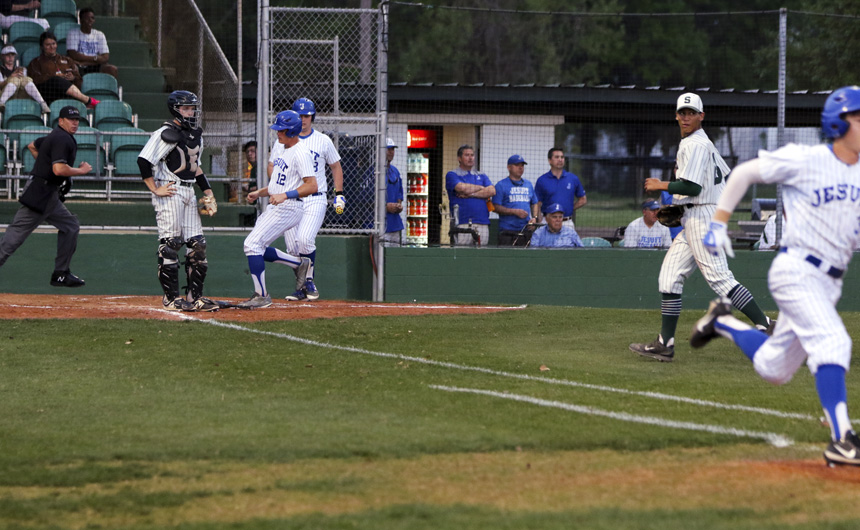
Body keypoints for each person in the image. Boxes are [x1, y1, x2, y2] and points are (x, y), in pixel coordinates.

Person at [690, 86, 860, 466]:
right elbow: (747, 172)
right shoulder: (809, 159)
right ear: (838, 122)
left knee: (774, 368)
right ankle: (843, 439)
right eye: (859, 118)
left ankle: (722, 323)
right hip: (796, 271)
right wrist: (719, 221)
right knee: (833, 342)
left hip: (828, 283)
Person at [629, 93, 772, 362]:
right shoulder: (705, 143)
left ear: (701, 116)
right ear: (676, 115)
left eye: (691, 112)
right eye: (682, 112)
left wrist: (661, 185)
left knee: (720, 279)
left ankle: (766, 325)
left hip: (702, 218)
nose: (686, 117)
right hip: (696, 216)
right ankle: (665, 344)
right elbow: (719, 179)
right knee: (669, 277)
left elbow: (693, 187)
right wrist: (683, 207)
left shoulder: (694, 144)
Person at [137, 90, 218, 312]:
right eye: (186, 108)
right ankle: (171, 299)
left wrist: (208, 191)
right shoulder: (166, 132)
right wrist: (154, 188)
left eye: (192, 108)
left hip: (189, 191)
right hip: (170, 190)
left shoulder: (194, 134)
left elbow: (195, 167)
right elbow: (144, 160)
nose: (190, 112)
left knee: (198, 245)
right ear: (176, 109)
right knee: (170, 245)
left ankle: (194, 298)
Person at [0, 106, 91, 286]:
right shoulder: (62, 139)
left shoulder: (55, 136)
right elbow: (59, 169)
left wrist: (44, 168)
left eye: (77, 120)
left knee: (70, 226)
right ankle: (60, 273)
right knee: (15, 236)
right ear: (60, 121)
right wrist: (80, 171)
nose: (75, 123)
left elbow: (32, 146)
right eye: (70, 119)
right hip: (40, 194)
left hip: (48, 193)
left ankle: (60, 274)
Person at [238, 110, 316, 309]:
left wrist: (286, 195)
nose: (277, 133)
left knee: (252, 244)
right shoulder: (283, 149)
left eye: (281, 130)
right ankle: (298, 264)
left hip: (290, 207)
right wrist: (260, 192)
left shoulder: (301, 152)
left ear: (291, 131)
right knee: (256, 247)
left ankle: (262, 295)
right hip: (278, 206)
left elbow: (311, 186)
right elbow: (279, 185)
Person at [281, 97, 344, 301]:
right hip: (291, 198)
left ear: (312, 117)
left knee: (305, 240)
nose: (303, 119)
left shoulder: (323, 140)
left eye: (307, 115)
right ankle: (301, 288)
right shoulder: (284, 140)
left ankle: (309, 281)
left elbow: (335, 166)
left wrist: (339, 193)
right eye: (299, 116)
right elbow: (273, 165)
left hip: (315, 197)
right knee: (292, 249)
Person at [28, 31, 99, 107]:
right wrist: (54, 76)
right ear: (42, 47)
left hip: (68, 96)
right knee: (56, 80)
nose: (52, 47)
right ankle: (87, 100)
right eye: (48, 45)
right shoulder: (35, 62)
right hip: (49, 96)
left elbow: (79, 80)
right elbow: (34, 80)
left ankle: (86, 101)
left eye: (53, 44)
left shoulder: (68, 60)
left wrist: (73, 78)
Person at [445, 144, 495, 246]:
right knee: (462, 255)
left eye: (472, 155)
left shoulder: (481, 175)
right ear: (459, 158)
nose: (470, 157)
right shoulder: (452, 174)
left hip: (482, 222)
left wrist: (471, 194)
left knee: (481, 256)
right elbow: (461, 188)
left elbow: (492, 191)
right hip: (462, 223)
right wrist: (481, 188)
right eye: (467, 155)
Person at [535, 147, 586, 228]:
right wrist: (539, 218)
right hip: (547, 223)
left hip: (566, 223)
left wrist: (569, 208)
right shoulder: (542, 180)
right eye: (557, 157)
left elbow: (583, 199)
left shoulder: (573, 178)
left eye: (562, 157)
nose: (560, 159)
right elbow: (537, 203)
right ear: (549, 160)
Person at [493, 154, 538, 247]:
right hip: (507, 232)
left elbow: (535, 203)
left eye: (522, 165)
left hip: (525, 230)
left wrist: (535, 218)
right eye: (517, 165)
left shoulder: (528, 184)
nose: (520, 168)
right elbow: (495, 207)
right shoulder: (501, 185)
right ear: (509, 167)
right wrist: (514, 212)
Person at [65, 7, 118, 78]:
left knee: (112, 69)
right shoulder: (73, 33)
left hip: (94, 66)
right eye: (87, 18)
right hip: (78, 66)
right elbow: (73, 54)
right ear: (81, 20)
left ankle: (110, 89)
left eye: (92, 18)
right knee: (73, 67)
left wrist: (85, 62)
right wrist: (96, 58)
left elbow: (105, 57)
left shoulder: (99, 34)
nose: (90, 20)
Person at [0, 45, 50, 113]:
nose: (10, 57)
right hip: (6, 96)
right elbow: (0, 85)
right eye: (7, 55)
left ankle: (42, 103)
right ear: (2, 56)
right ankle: (1, 102)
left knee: (26, 80)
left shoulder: (22, 69)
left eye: (12, 55)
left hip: (21, 96)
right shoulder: (0, 70)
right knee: (14, 80)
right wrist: (10, 78)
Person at [381, 137, 404, 246]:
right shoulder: (373, 172)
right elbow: (365, 200)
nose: (391, 152)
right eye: (388, 149)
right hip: (380, 225)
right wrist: (385, 207)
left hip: (395, 224)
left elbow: (399, 194)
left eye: (392, 149)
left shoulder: (395, 171)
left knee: (395, 256)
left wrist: (399, 206)